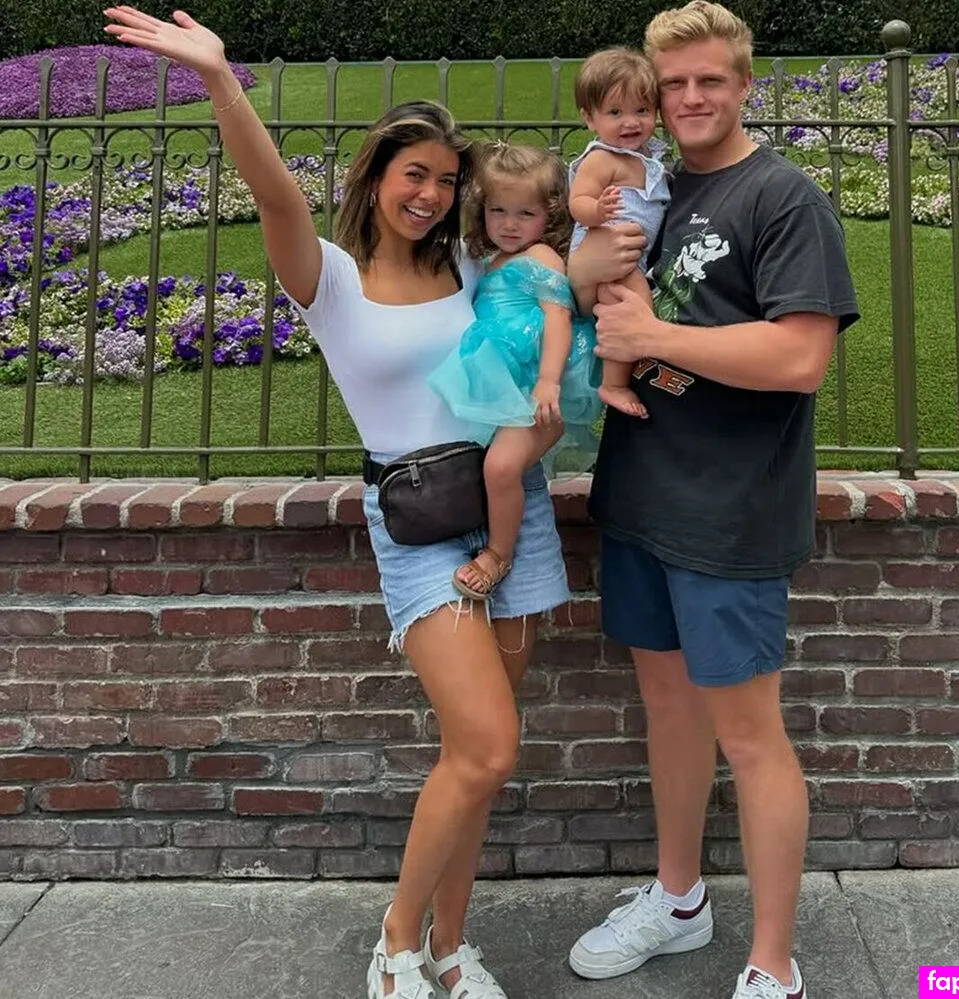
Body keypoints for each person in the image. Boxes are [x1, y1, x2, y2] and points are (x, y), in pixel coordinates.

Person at [103, 9, 570, 999]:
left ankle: (452, 946)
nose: (430, 195)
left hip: (509, 506)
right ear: (376, 174)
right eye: (414, 174)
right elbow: (273, 190)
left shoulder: (473, 265)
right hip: (418, 521)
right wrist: (221, 80)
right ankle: (396, 942)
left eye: (445, 181)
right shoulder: (332, 279)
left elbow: (551, 288)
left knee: (475, 759)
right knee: (489, 744)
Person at [566, 3, 860, 998]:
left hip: (730, 509)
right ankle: (679, 898)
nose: (690, 98)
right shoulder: (649, 185)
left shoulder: (782, 197)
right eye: (674, 84)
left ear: (744, 85)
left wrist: (653, 338)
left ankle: (773, 964)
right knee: (670, 711)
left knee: (749, 735)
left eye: (710, 80)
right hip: (642, 493)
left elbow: (801, 357)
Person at [428, 142, 602, 601]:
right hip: (506, 384)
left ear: (550, 215)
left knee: (502, 466)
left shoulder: (541, 257)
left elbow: (559, 318)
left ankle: (498, 555)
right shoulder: (491, 260)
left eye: (525, 214)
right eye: (498, 211)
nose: (509, 224)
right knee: (487, 466)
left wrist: (548, 381)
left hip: (535, 389)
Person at [567, 46, 670, 420]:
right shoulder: (601, 158)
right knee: (635, 306)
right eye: (615, 113)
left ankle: (626, 369)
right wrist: (597, 212)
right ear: (589, 118)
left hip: (629, 253)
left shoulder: (649, 158)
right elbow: (577, 201)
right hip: (603, 245)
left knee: (622, 313)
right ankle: (614, 382)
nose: (630, 122)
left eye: (641, 110)